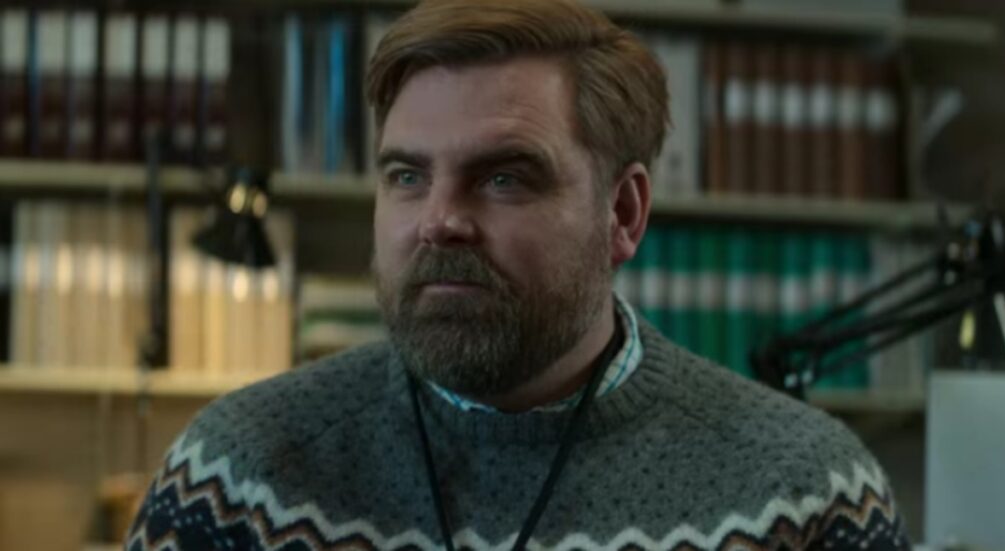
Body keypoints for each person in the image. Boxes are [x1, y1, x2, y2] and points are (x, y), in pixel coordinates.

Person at [126, 0, 910, 549]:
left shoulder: (803, 491)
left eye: (504, 178)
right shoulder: (238, 476)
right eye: (407, 176)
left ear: (624, 213)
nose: (440, 219)